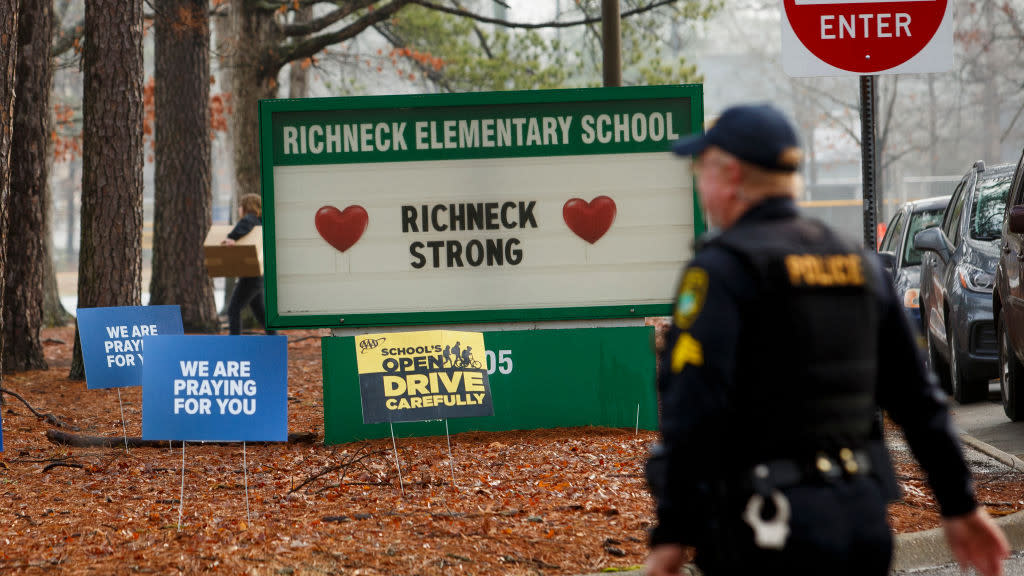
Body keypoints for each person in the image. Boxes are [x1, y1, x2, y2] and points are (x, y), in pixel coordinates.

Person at [645, 104, 1008, 576]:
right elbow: (918, 400)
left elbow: (693, 410)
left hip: (764, 531)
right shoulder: (855, 265)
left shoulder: (722, 272)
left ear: (730, 174)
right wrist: (959, 504)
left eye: (701, 169)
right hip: (860, 522)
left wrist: (671, 534)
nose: (699, 185)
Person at [223, 193, 276, 336]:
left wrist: (231, 239)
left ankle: (235, 344)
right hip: (258, 275)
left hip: (250, 276)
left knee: (233, 309)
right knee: (260, 313)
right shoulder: (261, 222)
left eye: (240, 205)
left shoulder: (249, 219)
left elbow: (239, 231)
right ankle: (275, 341)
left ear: (246, 206)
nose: (239, 209)